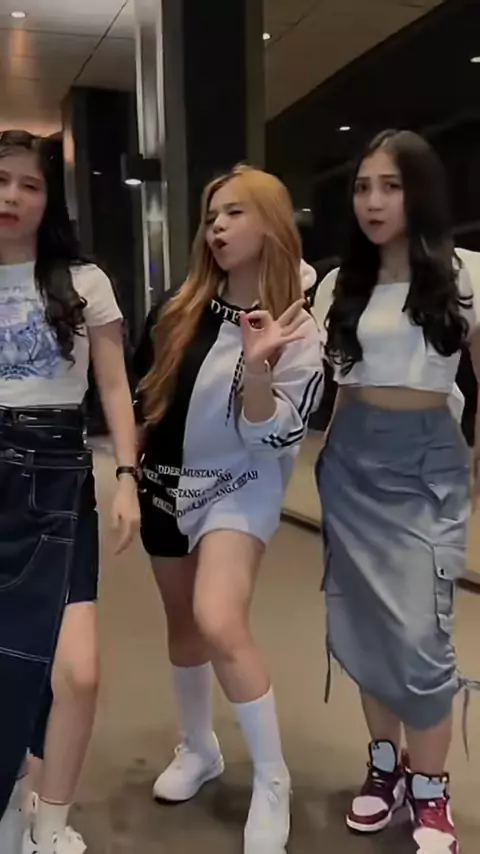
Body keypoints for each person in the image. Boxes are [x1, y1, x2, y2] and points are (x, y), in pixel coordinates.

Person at [133, 164, 323, 853]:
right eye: (212, 215)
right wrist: (126, 476)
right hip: (164, 484)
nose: (217, 226)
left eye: (235, 212)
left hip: (238, 487)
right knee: (183, 625)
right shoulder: (177, 308)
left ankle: (273, 781)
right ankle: (198, 747)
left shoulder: (299, 328)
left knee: (218, 618)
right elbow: (145, 400)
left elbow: (273, 438)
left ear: (271, 223)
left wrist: (260, 366)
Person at [312, 129, 480, 854]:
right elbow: (335, 389)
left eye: (391, 186)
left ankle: (432, 789)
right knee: (367, 627)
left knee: (421, 635)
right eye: (362, 187)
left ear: (421, 191)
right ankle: (386, 768)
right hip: (353, 464)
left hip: (428, 465)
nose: (373, 202)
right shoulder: (338, 285)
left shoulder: (466, 274)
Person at [0, 130, 140, 854]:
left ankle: (49, 819)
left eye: (29, 184)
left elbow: (114, 387)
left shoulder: (84, 281)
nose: (12, 196)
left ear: (49, 198)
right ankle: (12, 801)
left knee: (77, 672)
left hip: (57, 474)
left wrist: (128, 477)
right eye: (2, 181)